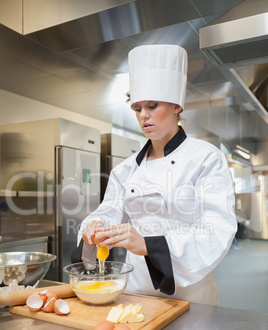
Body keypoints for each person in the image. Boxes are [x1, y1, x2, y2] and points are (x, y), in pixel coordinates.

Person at [73, 44, 237, 305]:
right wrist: (94, 226)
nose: (143, 116)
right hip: (136, 286)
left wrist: (151, 245)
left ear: (176, 106)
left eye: (152, 105)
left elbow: (217, 229)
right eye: (137, 108)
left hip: (189, 288)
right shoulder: (125, 170)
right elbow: (108, 212)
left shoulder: (205, 158)